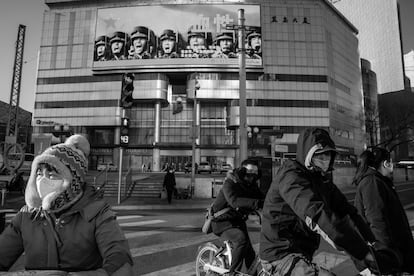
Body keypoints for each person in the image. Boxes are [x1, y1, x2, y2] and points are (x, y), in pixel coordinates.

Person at [0, 134, 134, 275]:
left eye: (52, 175)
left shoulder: (97, 213)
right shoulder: (26, 215)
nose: (42, 181)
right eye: (39, 174)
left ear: (73, 181)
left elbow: (120, 263)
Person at [259, 128, 379, 275]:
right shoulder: (291, 177)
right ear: (307, 154)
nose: (325, 160)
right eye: (319, 155)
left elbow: (348, 213)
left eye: (328, 155)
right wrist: (362, 252)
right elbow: (318, 216)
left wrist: (373, 243)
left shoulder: (322, 181)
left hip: (303, 252)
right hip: (280, 254)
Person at [352, 147, 414, 274]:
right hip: (389, 255)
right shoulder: (372, 182)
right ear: (386, 163)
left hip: (393, 251)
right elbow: (377, 222)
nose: (392, 166)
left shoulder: (376, 180)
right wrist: (390, 257)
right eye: (391, 162)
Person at [211, 159, 265, 276]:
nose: (253, 175)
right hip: (221, 222)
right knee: (241, 240)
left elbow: (264, 199)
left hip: (237, 221)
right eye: (250, 171)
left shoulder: (251, 186)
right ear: (241, 171)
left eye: (255, 172)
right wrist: (257, 203)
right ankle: (233, 273)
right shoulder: (230, 183)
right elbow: (234, 201)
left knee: (249, 252)